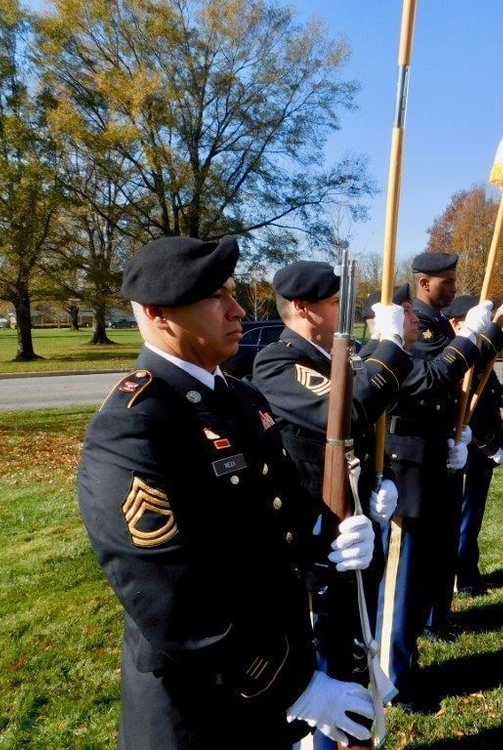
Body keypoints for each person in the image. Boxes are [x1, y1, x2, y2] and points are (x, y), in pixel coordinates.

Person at [77, 236, 376, 749]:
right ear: (158, 314)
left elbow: (278, 505)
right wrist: (293, 687)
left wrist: (329, 533)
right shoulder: (137, 425)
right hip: (200, 705)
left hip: (268, 685)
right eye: (216, 297)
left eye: (233, 292)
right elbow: (172, 599)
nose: (237, 309)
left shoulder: (238, 396)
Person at [249, 260, 413, 749]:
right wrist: (391, 346)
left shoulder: (338, 355)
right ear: (302, 308)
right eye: (331, 303)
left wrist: (383, 486)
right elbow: (351, 408)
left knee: (354, 654)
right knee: (329, 676)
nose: (341, 312)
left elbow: (373, 423)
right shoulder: (277, 362)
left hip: (354, 534)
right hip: (314, 544)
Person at [374, 252, 503, 703]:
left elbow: (457, 380)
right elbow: (433, 376)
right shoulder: (406, 324)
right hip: (408, 467)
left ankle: (410, 652)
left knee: (425, 569)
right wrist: (488, 331)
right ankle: (392, 677)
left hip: (437, 458)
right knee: (401, 577)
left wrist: (455, 439)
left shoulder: (434, 322)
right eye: (447, 281)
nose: (454, 287)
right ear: (423, 283)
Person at [444, 294, 503, 596]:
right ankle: (461, 579)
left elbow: (487, 398)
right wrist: (493, 450)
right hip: (470, 452)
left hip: (483, 454)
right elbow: (466, 414)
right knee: (464, 517)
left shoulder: (478, 354)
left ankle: (470, 571)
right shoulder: (457, 358)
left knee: (474, 516)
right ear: (457, 323)